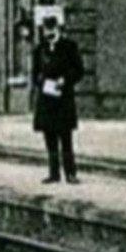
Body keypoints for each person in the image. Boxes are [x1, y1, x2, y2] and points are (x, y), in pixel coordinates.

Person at [32, 14, 84, 184]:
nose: (49, 33)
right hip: (47, 100)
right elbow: (34, 74)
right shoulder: (39, 49)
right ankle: (53, 173)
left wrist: (65, 79)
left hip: (63, 100)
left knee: (66, 138)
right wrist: (40, 81)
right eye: (46, 29)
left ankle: (70, 173)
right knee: (50, 139)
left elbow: (79, 70)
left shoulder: (69, 47)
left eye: (52, 29)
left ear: (58, 29)